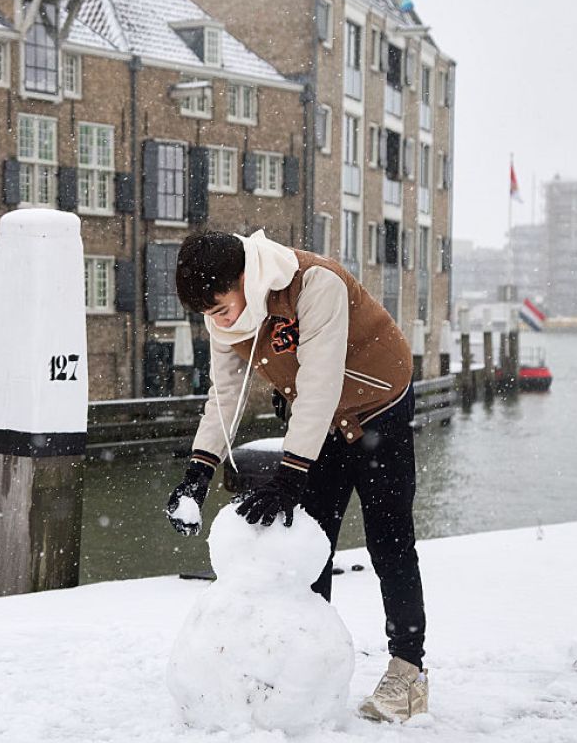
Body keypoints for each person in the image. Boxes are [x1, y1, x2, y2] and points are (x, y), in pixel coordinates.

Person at [164, 229, 429, 723]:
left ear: (244, 278)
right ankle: (306, 666)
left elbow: (320, 381)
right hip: (318, 418)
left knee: (389, 541)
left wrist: (290, 476)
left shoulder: (314, 284)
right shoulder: (225, 316)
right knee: (307, 543)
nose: (219, 321)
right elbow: (225, 396)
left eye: (222, 308)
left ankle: (408, 670)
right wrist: (198, 472)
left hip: (378, 409)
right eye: (210, 315)